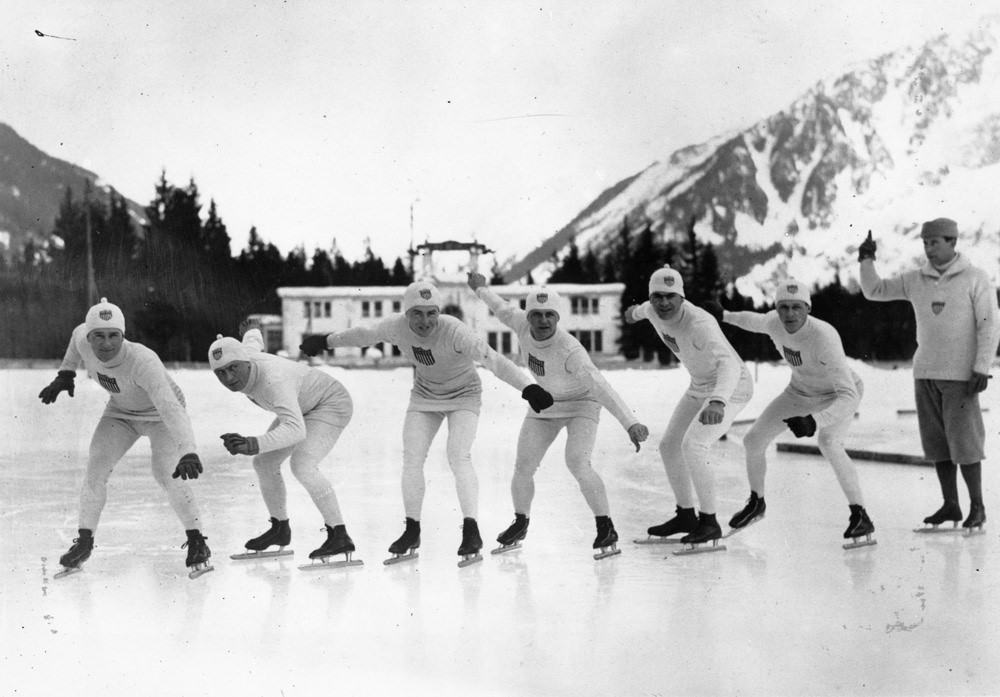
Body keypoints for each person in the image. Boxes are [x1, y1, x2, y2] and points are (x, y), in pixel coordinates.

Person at [299, 280, 554, 567]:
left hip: (464, 396)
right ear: (407, 314)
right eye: (417, 313)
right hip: (425, 396)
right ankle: (412, 530)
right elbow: (364, 334)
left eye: (431, 313)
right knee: (412, 458)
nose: (425, 321)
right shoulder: (396, 327)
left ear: (439, 312)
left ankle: (471, 530)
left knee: (458, 456)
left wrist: (528, 388)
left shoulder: (455, 331)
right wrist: (326, 341)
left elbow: (493, 360)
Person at [467, 272, 649, 559]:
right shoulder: (520, 324)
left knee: (577, 461)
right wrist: (480, 288)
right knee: (523, 464)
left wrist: (630, 422)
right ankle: (520, 522)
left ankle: (606, 526)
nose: (542, 321)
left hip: (582, 405)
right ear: (528, 317)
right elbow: (501, 308)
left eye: (549, 315)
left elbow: (601, 387)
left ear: (558, 317)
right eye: (536, 314)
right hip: (546, 404)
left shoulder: (570, 350)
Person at [38, 297, 212, 578]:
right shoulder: (82, 338)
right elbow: (74, 340)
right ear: (89, 335)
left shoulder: (143, 361)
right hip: (120, 413)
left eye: (113, 336)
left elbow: (170, 407)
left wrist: (188, 450)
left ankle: (197, 541)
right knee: (95, 470)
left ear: (123, 335)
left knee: (167, 474)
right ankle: (84, 543)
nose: (105, 344)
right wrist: (66, 372)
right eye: (98, 336)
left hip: (160, 416)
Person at [704, 280, 876, 547]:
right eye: (783, 307)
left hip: (837, 395)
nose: (790, 314)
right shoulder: (775, 322)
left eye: (797, 307)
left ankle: (860, 514)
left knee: (829, 443)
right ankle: (757, 502)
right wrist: (724, 316)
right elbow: (754, 320)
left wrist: (815, 421)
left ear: (808, 308)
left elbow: (849, 395)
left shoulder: (824, 336)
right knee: (753, 441)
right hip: (799, 392)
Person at [859, 220, 1000, 532]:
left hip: (962, 376)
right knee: (937, 443)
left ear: (952, 241)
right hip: (925, 373)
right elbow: (875, 290)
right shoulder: (916, 279)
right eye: (925, 243)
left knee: (965, 442)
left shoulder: (975, 278)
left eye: (934, 242)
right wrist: (866, 260)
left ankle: (978, 506)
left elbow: (989, 325)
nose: (928, 249)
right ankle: (951, 504)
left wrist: (981, 366)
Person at [209, 319, 361, 567]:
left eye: (233, 368)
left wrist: (252, 443)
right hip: (302, 405)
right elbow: (252, 342)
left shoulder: (272, 381)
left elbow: (295, 430)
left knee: (302, 465)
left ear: (245, 363)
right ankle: (280, 529)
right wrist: (251, 329)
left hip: (330, 403)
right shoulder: (245, 355)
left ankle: (340, 534)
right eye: (220, 373)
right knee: (264, 463)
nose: (228, 377)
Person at [625, 266, 754, 549]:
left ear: (682, 297)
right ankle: (685, 516)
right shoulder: (652, 309)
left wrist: (718, 401)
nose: (664, 303)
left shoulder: (700, 324)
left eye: (671, 296)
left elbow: (729, 366)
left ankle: (709, 523)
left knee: (694, 446)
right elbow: (639, 310)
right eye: (657, 296)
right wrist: (632, 313)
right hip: (699, 385)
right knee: (669, 446)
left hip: (732, 387)